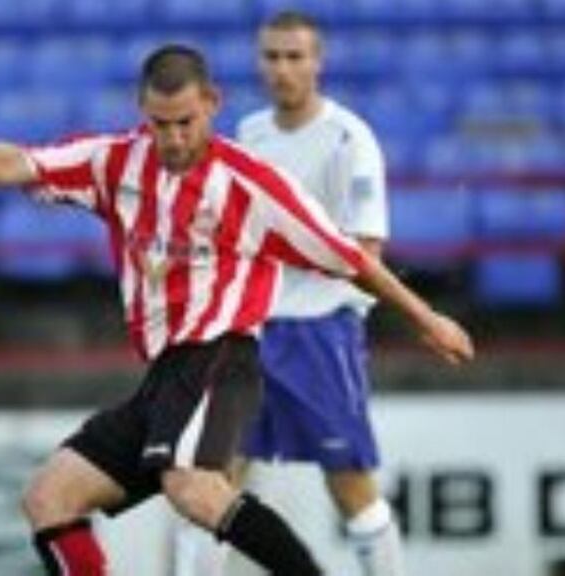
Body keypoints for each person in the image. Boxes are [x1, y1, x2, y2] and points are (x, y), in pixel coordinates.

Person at [0, 44, 473, 576]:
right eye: (161, 124)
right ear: (142, 111)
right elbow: (21, 162)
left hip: (220, 357)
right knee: (49, 499)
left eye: (186, 122)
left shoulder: (251, 185)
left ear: (211, 102)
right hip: (162, 378)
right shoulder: (114, 163)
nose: (175, 138)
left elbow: (348, 258)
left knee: (193, 488)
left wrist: (427, 318)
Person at [244, 11, 405, 575]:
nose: (282, 69)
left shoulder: (350, 140)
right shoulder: (250, 135)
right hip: (250, 330)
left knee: (350, 484)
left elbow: (366, 252)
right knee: (211, 478)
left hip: (321, 330)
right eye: (272, 56)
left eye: (295, 56)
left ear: (318, 62)